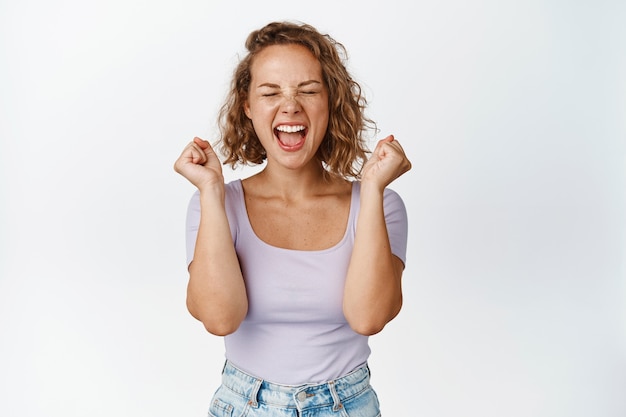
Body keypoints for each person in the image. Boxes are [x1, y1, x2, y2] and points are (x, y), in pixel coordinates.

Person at [174, 21, 411, 417]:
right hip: (243, 404)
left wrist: (370, 189)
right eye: (270, 92)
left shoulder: (381, 204)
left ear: (331, 100)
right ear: (247, 106)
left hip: (347, 405)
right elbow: (219, 318)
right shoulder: (214, 204)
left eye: (308, 90)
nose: (290, 106)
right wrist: (212, 192)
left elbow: (369, 317)